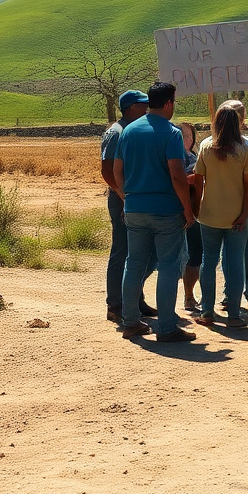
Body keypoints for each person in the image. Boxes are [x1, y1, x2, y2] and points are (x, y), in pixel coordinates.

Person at [113, 82, 196, 342]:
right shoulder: (171, 133)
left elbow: (117, 171)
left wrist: (128, 198)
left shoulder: (128, 131)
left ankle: (130, 322)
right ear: (169, 103)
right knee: (169, 267)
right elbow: (177, 174)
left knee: (134, 264)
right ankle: (167, 327)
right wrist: (188, 210)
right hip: (165, 211)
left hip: (135, 208)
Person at [191, 106, 248, 328]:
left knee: (209, 261)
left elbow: (198, 180)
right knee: (235, 262)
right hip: (236, 215)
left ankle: (207, 311)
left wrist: (196, 207)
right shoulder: (243, 150)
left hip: (209, 215)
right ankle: (235, 315)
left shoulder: (206, 147)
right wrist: (245, 213)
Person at [100, 90, 157, 323]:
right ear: (131, 107)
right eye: (143, 105)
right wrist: (124, 197)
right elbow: (107, 172)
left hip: (134, 198)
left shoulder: (133, 130)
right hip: (122, 199)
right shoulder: (116, 132)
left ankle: (135, 300)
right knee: (122, 250)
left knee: (140, 252)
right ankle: (115, 305)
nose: (146, 109)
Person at [217, 99, 248, 312]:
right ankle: (247, 292)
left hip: (222, 205)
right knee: (246, 252)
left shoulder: (212, 144)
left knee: (230, 253)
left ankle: (234, 293)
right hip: (245, 205)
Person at [179, 121, 203, 312]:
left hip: (198, 209)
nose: (186, 139)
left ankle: (194, 296)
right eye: (181, 135)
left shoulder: (195, 156)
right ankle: (188, 296)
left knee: (197, 254)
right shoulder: (175, 158)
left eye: (188, 135)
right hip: (181, 210)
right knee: (188, 255)